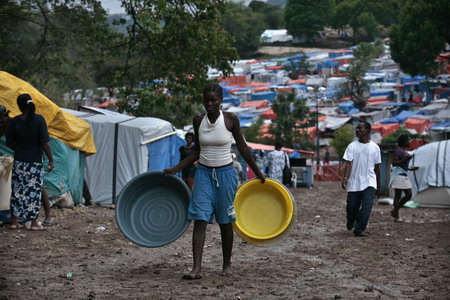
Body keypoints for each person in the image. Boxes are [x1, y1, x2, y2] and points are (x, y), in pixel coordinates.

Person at [164, 83, 265, 280]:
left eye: (213, 100)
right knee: (200, 219)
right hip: (203, 174)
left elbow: (243, 148)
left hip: (226, 174)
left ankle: (226, 264)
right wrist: (175, 168)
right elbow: (196, 152)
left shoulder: (230, 119)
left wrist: (258, 172)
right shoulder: (198, 120)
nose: (209, 104)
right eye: (206, 100)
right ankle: (196, 269)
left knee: (225, 221)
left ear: (220, 101)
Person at [6, 94, 54, 231]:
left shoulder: (14, 121)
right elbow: (45, 143)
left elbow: (9, 142)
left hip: (20, 160)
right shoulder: (39, 120)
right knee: (33, 191)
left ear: (19, 106)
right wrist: (51, 159)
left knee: (17, 190)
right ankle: (33, 224)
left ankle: (14, 222)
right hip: (35, 162)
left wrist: (20, 149)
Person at [342, 121, 381, 237]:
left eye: (360, 128)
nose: (357, 130)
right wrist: (345, 178)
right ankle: (350, 221)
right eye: (357, 128)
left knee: (366, 207)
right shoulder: (352, 146)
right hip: (354, 181)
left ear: (367, 130)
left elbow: (377, 168)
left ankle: (359, 230)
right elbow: (348, 163)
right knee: (352, 207)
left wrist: (379, 186)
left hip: (370, 181)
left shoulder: (375, 148)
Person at [389, 134, 419, 222]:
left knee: (408, 195)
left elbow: (401, 165)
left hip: (402, 174)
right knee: (399, 195)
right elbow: (394, 163)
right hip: (398, 175)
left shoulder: (402, 151)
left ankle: (395, 211)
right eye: (408, 140)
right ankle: (396, 216)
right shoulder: (399, 151)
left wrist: (410, 168)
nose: (409, 142)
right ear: (404, 142)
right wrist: (406, 159)